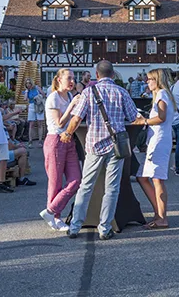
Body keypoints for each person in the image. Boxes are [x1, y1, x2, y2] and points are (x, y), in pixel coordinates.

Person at [61, 60, 142, 240]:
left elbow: (76, 119)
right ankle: (104, 228)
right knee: (112, 188)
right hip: (116, 146)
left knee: (86, 186)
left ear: (97, 75)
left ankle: (75, 226)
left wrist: (67, 134)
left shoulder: (89, 92)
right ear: (113, 75)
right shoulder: (122, 92)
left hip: (94, 145)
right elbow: (133, 117)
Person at [39, 69, 82, 232]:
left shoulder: (69, 96)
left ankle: (51, 212)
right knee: (55, 182)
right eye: (69, 78)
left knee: (75, 179)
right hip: (55, 140)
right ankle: (56, 218)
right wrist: (73, 105)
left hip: (68, 139)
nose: (72, 81)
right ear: (58, 80)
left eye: (73, 78)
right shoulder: (54, 97)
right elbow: (59, 123)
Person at [136, 69, 176, 230]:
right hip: (158, 140)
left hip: (158, 141)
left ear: (157, 80)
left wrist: (144, 121)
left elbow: (161, 117)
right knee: (143, 177)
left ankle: (162, 217)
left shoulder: (161, 95)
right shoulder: (163, 95)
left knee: (157, 179)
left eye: (150, 79)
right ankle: (158, 212)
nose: (147, 82)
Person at [23, 78, 46, 148]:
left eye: (29, 83)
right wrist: (27, 91)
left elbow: (44, 95)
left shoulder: (36, 88)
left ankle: (40, 140)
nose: (28, 85)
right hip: (32, 106)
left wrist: (38, 96)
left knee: (40, 123)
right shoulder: (27, 90)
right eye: (27, 83)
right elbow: (25, 99)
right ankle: (30, 140)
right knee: (31, 124)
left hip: (38, 105)